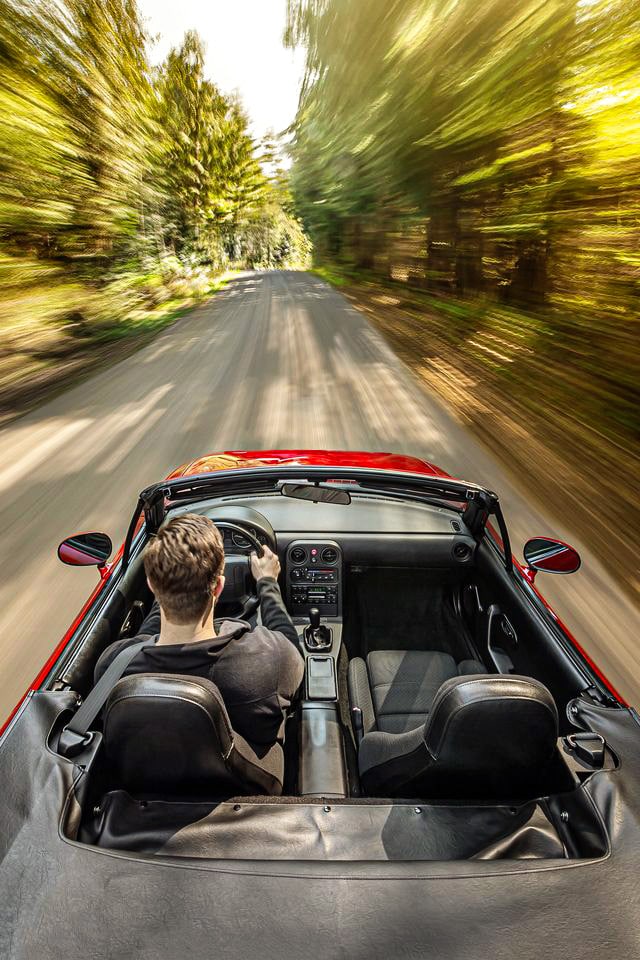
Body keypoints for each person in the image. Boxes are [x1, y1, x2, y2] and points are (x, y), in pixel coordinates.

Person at [94, 513, 304, 746]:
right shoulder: (270, 661)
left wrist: (169, 584)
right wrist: (267, 582)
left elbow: (146, 638)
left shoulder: (113, 665)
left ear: (151, 585)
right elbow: (292, 648)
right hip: (246, 780)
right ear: (219, 587)